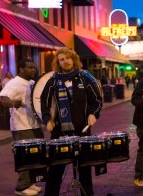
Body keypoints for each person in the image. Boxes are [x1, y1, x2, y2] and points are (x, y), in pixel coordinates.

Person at [40, 48, 103, 196]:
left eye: (68, 58)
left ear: (74, 60)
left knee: (84, 169)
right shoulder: (53, 81)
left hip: (82, 130)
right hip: (59, 132)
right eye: (62, 59)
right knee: (55, 170)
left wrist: (93, 114)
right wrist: (47, 119)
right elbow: (44, 102)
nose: (65, 61)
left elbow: (97, 100)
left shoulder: (85, 78)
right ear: (58, 63)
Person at [0, 59, 44, 196]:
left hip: (34, 125)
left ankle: (30, 183)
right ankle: (21, 187)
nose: (33, 70)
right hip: (21, 127)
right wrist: (13, 103)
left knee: (34, 156)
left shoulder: (32, 83)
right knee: (24, 157)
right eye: (29, 68)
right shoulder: (14, 83)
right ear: (21, 69)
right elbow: (2, 98)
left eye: (34, 68)